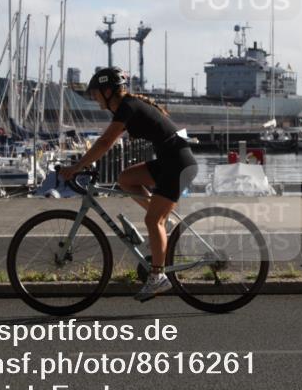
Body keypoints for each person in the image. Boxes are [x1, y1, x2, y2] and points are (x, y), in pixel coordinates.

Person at [59, 67, 198, 301]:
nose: (94, 98)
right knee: (125, 179)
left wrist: (77, 167)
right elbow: (106, 144)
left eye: (96, 93)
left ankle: (158, 276)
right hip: (169, 161)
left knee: (152, 220)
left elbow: (105, 142)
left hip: (178, 165)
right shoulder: (128, 106)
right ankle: (165, 222)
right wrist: (83, 164)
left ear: (108, 91)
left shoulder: (128, 107)